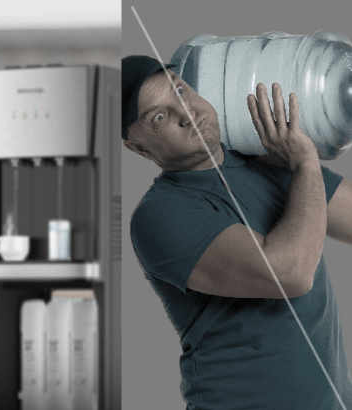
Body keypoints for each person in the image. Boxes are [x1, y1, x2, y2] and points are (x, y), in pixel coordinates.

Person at [123, 54, 352, 409]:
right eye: (159, 117)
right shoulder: (161, 214)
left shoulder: (267, 161)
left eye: (181, 92)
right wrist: (306, 163)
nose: (187, 114)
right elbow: (288, 274)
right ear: (139, 148)